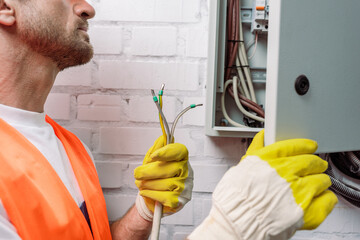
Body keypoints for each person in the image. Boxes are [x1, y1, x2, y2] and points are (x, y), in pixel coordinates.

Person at [0, 0, 337, 239]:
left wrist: (144, 212)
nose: (88, 8)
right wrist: (230, 229)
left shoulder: (69, 146)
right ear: (5, 7)